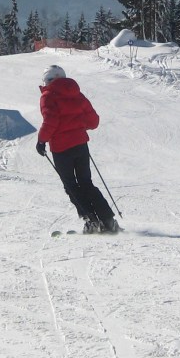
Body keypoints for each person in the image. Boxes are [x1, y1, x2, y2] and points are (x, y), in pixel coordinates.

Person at [37, 65, 120, 234]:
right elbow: (93, 121)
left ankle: (91, 221)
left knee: (71, 185)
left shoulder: (48, 96)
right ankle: (108, 220)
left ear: (47, 80)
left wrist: (41, 141)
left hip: (61, 149)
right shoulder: (77, 94)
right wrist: (78, 127)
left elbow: (50, 121)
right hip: (81, 145)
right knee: (86, 183)